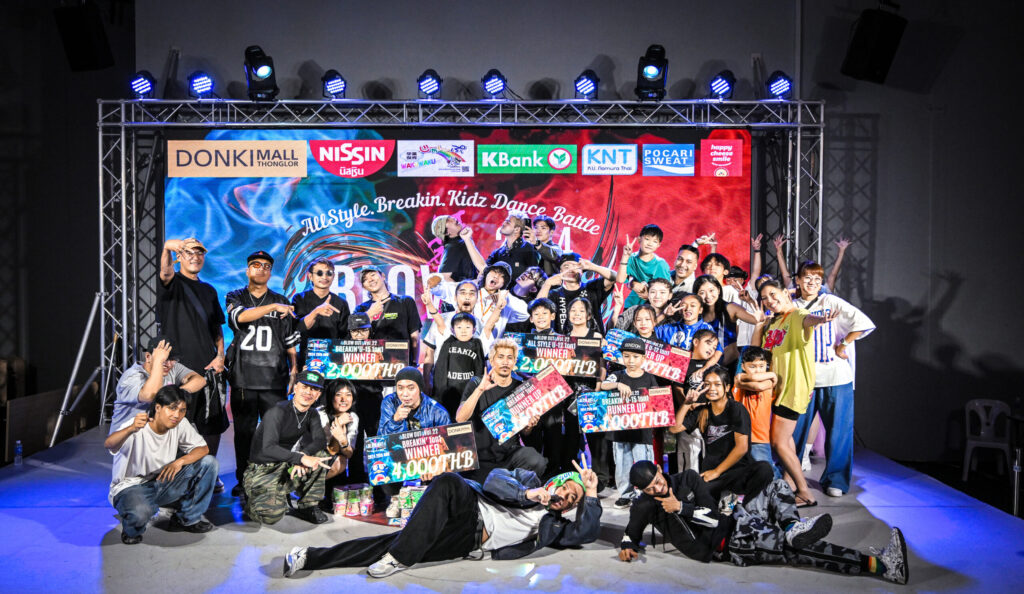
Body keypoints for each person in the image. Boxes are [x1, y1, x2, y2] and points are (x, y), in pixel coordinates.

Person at [284, 462, 601, 578]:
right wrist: (527, 494)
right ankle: (401, 557)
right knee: (448, 480)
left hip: (469, 541)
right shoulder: (529, 480)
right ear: (557, 482)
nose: (565, 495)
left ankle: (309, 557)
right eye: (566, 488)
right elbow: (493, 481)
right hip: (471, 507)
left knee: (387, 544)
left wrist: (591, 492)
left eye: (573, 499)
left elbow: (586, 533)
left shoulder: (555, 527)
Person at [619, 461, 909, 585]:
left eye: (657, 480)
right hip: (729, 544)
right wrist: (627, 545)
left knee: (778, 485)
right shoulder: (644, 505)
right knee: (797, 551)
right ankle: (883, 566)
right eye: (650, 488)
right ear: (641, 491)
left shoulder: (688, 479)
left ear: (660, 470)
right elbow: (630, 533)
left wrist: (681, 507)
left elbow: (713, 516)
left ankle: (791, 528)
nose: (657, 488)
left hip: (734, 519)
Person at [791, 261, 875, 498]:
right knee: (794, 431)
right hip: (803, 378)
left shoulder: (831, 301)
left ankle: (835, 479)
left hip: (836, 377)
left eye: (817, 279)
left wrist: (843, 344)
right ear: (798, 280)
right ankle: (790, 476)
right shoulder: (791, 306)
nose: (812, 283)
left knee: (839, 432)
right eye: (807, 278)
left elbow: (863, 323)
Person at [753, 278, 838, 507]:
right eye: (765, 298)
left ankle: (805, 492)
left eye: (773, 294)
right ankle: (791, 483)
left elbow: (809, 320)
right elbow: (756, 351)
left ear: (785, 292)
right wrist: (759, 325)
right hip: (777, 389)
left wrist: (821, 318)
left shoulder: (797, 314)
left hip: (793, 388)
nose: (770, 300)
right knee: (786, 440)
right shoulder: (774, 322)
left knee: (778, 442)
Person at [225, 250, 301, 494]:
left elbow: (290, 341)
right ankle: (244, 479)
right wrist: (274, 307)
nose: (261, 269)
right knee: (244, 433)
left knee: (274, 434)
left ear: (270, 272)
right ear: (247, 270)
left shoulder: (281, 299)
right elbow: (240, 317)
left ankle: (274, 479)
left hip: (274, 378)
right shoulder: (235, 296)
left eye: (266, 266)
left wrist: (294, 370)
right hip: (243, 377)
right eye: (256, 265)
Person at [105, 385, 217, 544]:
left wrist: (180, 461)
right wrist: (130, 429)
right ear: (158, 407)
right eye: (172, 408)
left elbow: (203, 449)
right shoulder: (138, 425)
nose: (177, 415)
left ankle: (187, 519)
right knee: (141, 512)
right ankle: (132, 528)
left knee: (209, 463)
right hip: (131, 487)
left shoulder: (180, 424)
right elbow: (109, 444)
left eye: (182, 410)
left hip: (162, 481)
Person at [157, 238, 227, 469]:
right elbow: (165, 272)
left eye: (199, 253)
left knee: (212, 424)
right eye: (189, 253)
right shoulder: (172, 282)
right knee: (175, 421)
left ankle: (209, 471)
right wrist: (167, 247)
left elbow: (217, 328)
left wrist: (220, 356)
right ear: (179, 257)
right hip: (178, 369)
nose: (195, 257)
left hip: (207, 368)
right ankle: (175, 474)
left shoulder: (209, 290)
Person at [669, 366, 773, 502]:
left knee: (764, 469)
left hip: (737, 472)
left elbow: (742, 448)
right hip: (712, 474)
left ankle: (748, 506)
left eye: (717, 384)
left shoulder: (737, 409)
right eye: (707, 384)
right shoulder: (702, 411)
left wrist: (717, 471)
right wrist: (687, 403)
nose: (711, 388)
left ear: (727, 387)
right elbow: (674, 429)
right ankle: (723, 502)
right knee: (688, 497)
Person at [242, 370, 332, 525]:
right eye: (304, 387)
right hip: (263, 469)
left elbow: (320, 440)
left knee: (319, 455)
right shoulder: (277, 411)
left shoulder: (312, 414)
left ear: (318, 395)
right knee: (271, 516)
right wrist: (301, 458)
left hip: (286, 464)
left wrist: (303, 455)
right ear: (295, 388)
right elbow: (268, 448)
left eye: (314, 389)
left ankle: (308, 506)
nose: (308, 392)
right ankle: (254, 497)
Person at [456, 338, 547, 481]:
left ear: (515, 361)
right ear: (492, 361)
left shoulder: (521, 387)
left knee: (536, 461)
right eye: (500, 357)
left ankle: (510, 485)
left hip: (508, 456)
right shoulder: (476, 383)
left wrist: (529, 426)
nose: (505, 362)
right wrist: (480, 390)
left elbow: (525, 432)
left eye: (510, 358)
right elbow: (460, 418)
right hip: (480, 456)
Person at [598, 337, 660, 508]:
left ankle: (645, 493)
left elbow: (658, 399)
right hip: (619, 431)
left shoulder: (649, 378)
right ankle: (625, 494)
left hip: (642, 431)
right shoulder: (617, 375)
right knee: (622, 465)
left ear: (643, 358)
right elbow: (603, 385)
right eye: (626, 356)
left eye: (635, 356)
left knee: (644, 462)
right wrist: (618, 385)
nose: (631, 360)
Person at [111, 336, 206, 432]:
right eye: (165, 359)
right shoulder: (132, 376)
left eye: (173, 359)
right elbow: (150, 395)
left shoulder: (172, 368)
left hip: (153, 433)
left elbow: (200, 380)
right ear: (148, 357)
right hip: (128, 435)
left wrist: (177, 393)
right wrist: (158, 361)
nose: (169, 364)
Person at [354, 265, 421, 366]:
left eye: (372, 275)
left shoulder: (405, 301)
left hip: (402, 363)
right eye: (365, 279)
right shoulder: (361, 309)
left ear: (383, 276)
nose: (370, 280)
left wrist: (415, 362)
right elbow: (356, 337)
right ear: (363, 286)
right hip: (374, 365)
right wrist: (370, 314)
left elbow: (414, 335)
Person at [693, 275, 764, 366]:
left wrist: (749, 301)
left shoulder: (730, 308)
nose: (708, 296)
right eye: (702, 292)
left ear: (718, 290)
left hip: (730, 364)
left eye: (711, 290)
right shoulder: (696, 314)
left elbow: (757, 320)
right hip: (705, 365)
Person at [537, 252, 616, 334]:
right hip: (563, 340)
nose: (571, 270)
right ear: (560, 271)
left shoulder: (592, 287)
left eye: (575, 266)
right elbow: (536, 309)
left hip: (593, 340)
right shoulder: (554, 294)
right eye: (566, 266)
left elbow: (614, 278)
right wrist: (547, 284)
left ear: (582, 271)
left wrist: (593, 267)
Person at [733, 347, 779, 477]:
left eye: (761, 366)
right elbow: (753, 382)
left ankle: (778, 486)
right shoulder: (739, 378)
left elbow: (758, 385)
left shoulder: (767, 382)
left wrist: (772, 376)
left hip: (759, 437)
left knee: (767, 470)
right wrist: (772, 374)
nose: (758, 370)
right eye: (752, 366)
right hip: (740, 436)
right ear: (743, 366)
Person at [431, 313, 486, 419]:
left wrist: (478, 391)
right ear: (452, 330)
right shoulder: (448, 343)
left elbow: (480, 368)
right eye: (459, 327)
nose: (463, 331)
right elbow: (440, 369)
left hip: (468, 391)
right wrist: (439, 393)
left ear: (474, 330)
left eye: (467, 327)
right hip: (450, 391)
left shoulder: (477, 344)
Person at [291, 257, 351, 349]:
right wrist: (316, 312)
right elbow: (296, 329)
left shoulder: (341, 303)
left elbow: (345, 335)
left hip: (332, 355)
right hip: (305, 355)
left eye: (329, 273)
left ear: (333, 276)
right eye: (319, 273)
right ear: (310, 276)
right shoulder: (299, 299)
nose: (324, 277)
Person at [378, 367, 452, 435]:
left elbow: (448, 442)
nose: (405, 394)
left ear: (420, 389)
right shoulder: (390, 402)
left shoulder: (438, 412)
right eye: (400, 388)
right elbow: (381, 439)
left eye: (411, 388)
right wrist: (395, 421)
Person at [618, 225, 672, 309]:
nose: (650, 244)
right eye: (647, 239)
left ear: (658, 245)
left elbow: (666, 292)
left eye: (654, 241)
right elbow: (620, 279)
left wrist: (649, 296)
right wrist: (625, 256)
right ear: (639, 239)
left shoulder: (661, 264)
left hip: (651, 307)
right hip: (631, 304)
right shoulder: (631, 258)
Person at [485, 212, 541, 288]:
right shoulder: (497, 253)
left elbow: (535, 276)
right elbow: (484, 269)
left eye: (508, 222)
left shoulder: (529, 249)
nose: (503, 223)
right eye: (505, 221)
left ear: (517, 229)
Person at [319, 379, 359, 481]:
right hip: (307, 457)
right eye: (338, 394)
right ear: (331, 397)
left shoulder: (352, 417)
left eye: (348, 395)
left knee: (341, 461)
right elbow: (331, 450)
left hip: (328, 459)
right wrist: (339, 423)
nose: (343, 399)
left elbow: (349, 453)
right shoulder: (320, 414)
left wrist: (342, 437)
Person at [431, 214, 486, 282]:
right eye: (448, 220)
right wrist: (464, 287)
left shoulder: (461, 241)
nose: (454, 219)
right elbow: (444, 276)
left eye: (451, 217)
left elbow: (482, 268)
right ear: (445, 232)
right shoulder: (453, 247)